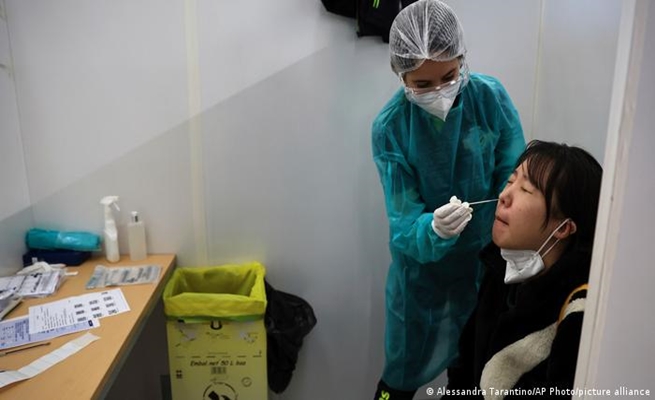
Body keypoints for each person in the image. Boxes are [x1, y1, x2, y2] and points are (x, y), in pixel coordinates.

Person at [371, 0, 526, 398]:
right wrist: (434, 229)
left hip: (483, 266)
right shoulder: (390, 128)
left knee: (472, 373)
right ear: (401, 75)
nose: (439, 92)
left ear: (461, 59)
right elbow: (404, 223)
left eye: (449, 76)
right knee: (398, 379)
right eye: (422, 85)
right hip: (420, 280)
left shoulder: (490, 100)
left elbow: (512, 180)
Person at [443, 140, 603, 398]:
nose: (504, 196)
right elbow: (463, 370)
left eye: (526, 190)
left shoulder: (579, 313)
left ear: (563, 227)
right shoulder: (501, 269)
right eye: (510, 181)